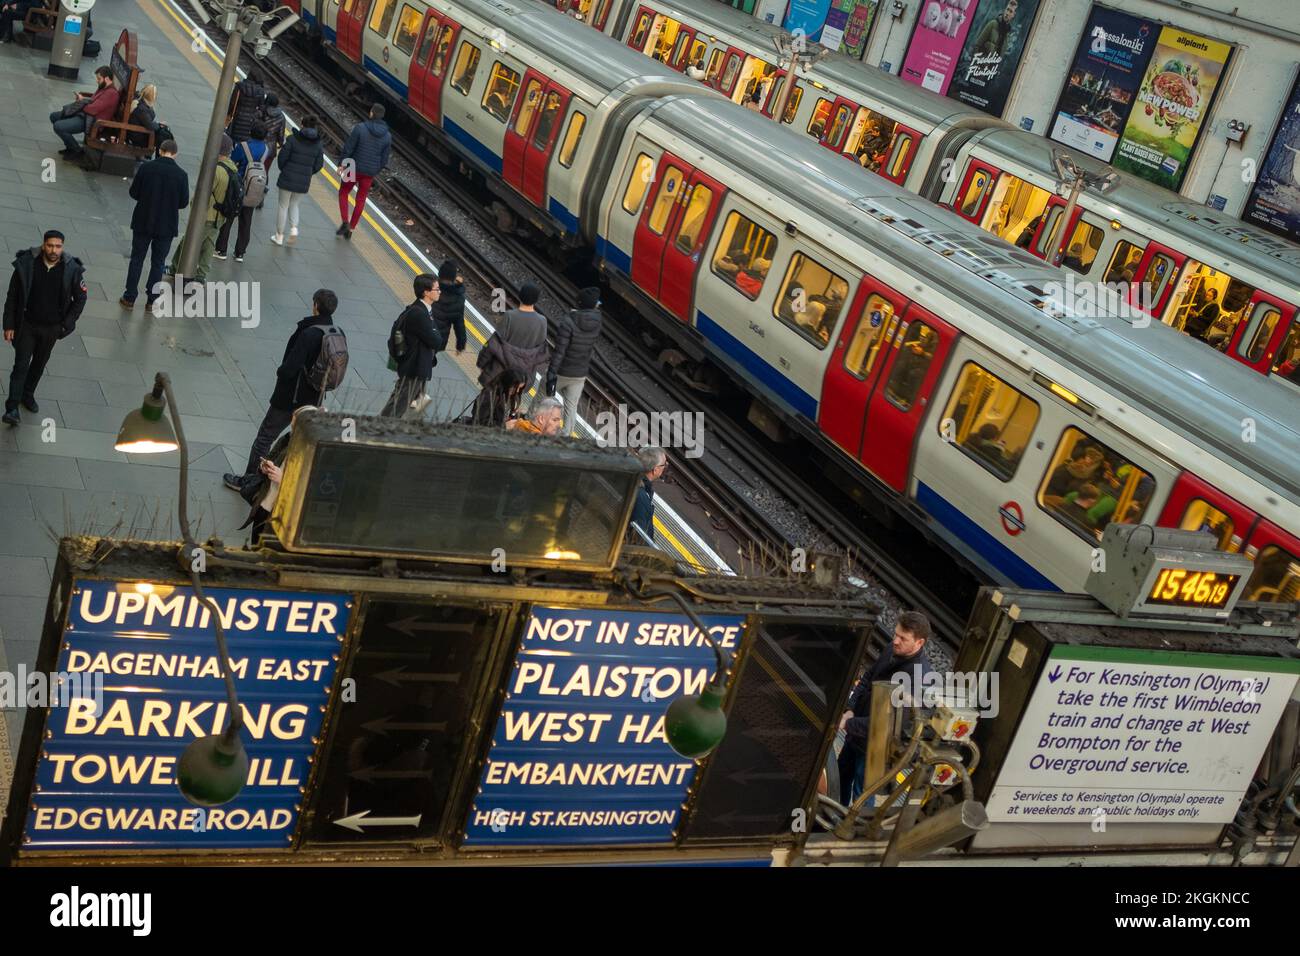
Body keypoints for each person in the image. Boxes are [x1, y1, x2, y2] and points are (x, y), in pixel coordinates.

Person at [224, 289, 343, 493]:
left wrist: (281, 372)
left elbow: (290, 367)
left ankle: (249, 481)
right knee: (300, 441)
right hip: (314, 398)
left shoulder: (309, 333)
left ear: (315, 305)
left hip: (291, 397)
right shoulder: (336, 333)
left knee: (265, 437)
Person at [837, 611, 935, 806]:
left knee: (862, 795)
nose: (895, 641)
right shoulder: (892, 649)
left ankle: (853, 828)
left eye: (903, 638)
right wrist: (850, 708)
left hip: (875, 747)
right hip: (857, 732)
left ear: (919, 643)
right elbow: (867, 678)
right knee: (840, 779)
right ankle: (831, 816)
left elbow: (886, 725)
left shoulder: (918, 679)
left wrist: (848, 723)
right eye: (895, 634)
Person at [3, 231, 87, 426]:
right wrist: (8, 324)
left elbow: (80, 299)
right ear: (43, 245)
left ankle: (28, 394)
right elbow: (12, 296)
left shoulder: (71, 270)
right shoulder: (26, 265)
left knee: (39, 364)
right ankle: (12, 407)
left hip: (51, 329)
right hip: (27, 325)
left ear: (62, 247)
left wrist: (66, 324)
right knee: (21, 365)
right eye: (50, 246)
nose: (53, 250)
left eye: (58, 246)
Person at [120, 140, 188, 313]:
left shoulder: (146, 168)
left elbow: (134, 192)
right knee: (158, 263)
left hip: (143, 220)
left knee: (137, 259)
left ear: (159, 150)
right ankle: (151, 300)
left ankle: (129, 297)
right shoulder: (181, 175)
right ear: (175, 153)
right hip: (166, 225)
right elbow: (183, 202)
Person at [239, 404, 317, 544]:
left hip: (284, 514)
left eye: (296, 427)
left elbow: (312, 491)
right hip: (265, 505)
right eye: (292, 425)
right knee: (256, 543)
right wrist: (265, 466)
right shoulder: (288, 439)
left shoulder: (314, 454)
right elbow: (271, 457)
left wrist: (284, 480)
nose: (293, 430)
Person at [168, 138, 237, 282]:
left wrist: (193, 206)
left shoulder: (216, 170)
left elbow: (204, 193)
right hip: (220, 216)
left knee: (187, 241)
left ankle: (175, 268)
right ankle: (201, 275)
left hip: (208, 215)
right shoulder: (232, 167)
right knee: (209, 246)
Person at [381, 273, 446, 418]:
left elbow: (435, 337)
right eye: (437, 289)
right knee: (399, 403)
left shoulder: (422, 310)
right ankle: (379, 428)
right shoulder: (418, 314)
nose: (439, 292)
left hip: (418, 367)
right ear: (426, 292)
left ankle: (404, 427)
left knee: (417, 402)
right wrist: (435, 333)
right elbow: (436, 341)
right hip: (413, 368)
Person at [476, 280, 549, 402]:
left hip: (501, 371)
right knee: (512, 402)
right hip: (523, 375)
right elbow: (540, 351)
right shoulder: (542, 321)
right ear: (536, 300)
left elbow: (494, 343)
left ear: (520, 296)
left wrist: (482, 363)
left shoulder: (510, 316)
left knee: (490, 401)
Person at [547, 286, 602, 434]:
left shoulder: (568, 321)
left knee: (544, 398)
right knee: (571, 408)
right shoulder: (597, 322)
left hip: (562, 371)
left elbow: (560, 351)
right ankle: (566, 437)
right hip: (580, 373)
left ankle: (533, 423)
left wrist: (551, 372)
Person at [215, 121, 270, 263]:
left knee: (229, 218)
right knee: (246, 222)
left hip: (239, 186)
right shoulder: (266, 149)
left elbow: (232, 160)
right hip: (254, 188)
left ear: (251, 132)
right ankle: (240, 253)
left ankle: (221, 249)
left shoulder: (243, 146)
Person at [337, 104, 392, 239]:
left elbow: (349, 148)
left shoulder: (360, 128)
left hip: (353, 167)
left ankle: (345, 221)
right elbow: (384, 159)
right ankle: (351, 228)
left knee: (344, 192)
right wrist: (374, 169)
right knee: (361, 199)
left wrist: (342, 164)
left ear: (371, 113)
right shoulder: (387, 136)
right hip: (369, 172)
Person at [271, 117, 324, 245]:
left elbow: (282, 158)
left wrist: (284, 169)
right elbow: (319, 164)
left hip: (287, 176)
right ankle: (294, 228)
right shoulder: (318, 144)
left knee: (283, 206)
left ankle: (279, 236)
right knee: (294, 204)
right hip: (303, 180)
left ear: (302, 125)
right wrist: (308, 173)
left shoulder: (293, 139)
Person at [50, 66, 120, 161]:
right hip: (85, 116)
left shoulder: (111, 93)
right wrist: (83, 101)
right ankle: (69, 146)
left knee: (58, 126)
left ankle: (76, 150)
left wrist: (81, 103)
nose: (97, 81)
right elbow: (93, 102)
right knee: (54, 116)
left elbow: (92, 109)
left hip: (92, 122)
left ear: (107, 78)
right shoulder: (103, 87)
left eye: (99, 79)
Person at [628, 446, 666, 543]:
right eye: (664, 465)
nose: (665, 467)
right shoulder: (641, 496)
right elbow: (641, 537)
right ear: (655, 470)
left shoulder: (630, 478)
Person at [434, 258, 468, 358]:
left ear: (440, 274)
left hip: (421, 332)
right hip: (438, 339)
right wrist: (460, 345)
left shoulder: (431, 287)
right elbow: (459, 325)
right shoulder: (458, 299)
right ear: (453, 278)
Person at [226, 70, 267, 143]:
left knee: (232, 141)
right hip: (250, 122)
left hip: (237, 118)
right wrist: (255, 115)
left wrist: (228, 115)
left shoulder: (239, 86)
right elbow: (262, 109)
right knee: (244, 144)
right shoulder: (261, 91)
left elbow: (233, 103)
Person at [126, 84, 158, 150]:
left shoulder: (140, 101)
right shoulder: (142, 109)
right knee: (162, 135)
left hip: (135, 132)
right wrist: (158, 125)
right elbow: (150, 126)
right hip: (137, 136)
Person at [259, 92, 287, 167]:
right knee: (264, 171)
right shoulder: (281, 116)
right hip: (270, 148)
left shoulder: (261, 110)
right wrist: (280, 143)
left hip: (257, 143)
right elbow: (281, 134)